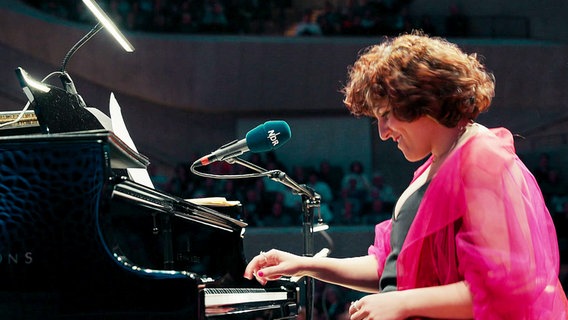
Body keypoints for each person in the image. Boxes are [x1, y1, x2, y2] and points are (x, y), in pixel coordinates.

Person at [243, 31, 568, 319]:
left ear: (423, 100)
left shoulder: (481, 158)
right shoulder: (435, 165)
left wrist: (402, 303)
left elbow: (508, 285)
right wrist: (305, 264)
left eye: (386, 116)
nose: (383, 133)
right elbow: (389, 269)